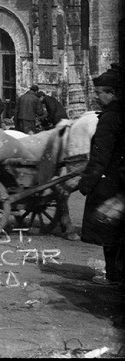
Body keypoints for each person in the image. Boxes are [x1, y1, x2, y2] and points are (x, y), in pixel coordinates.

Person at [76, 65, 124, 286]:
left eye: (100, 93)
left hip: (111, 183)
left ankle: (113, 276)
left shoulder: (109, 118)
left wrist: (86, 184)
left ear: (112, 93)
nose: (97, 97)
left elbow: (100, 156)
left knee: (109, 231)